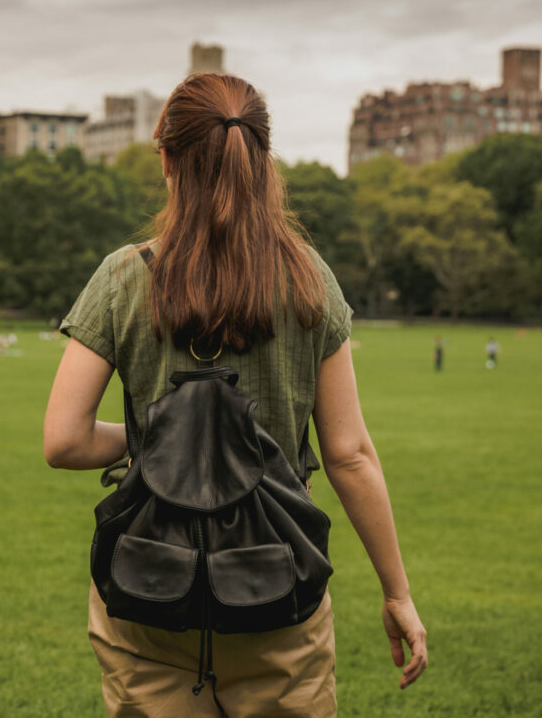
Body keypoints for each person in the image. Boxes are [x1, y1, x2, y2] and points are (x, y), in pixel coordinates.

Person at [43, 73, 427, 717]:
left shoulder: (121, 277)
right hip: (276, 592)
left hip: (149, 588)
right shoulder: (308, 280)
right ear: (262, 161)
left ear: (165, 159)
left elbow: (65, 441)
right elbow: (349, 454)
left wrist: (160, 443)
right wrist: (397, 593)